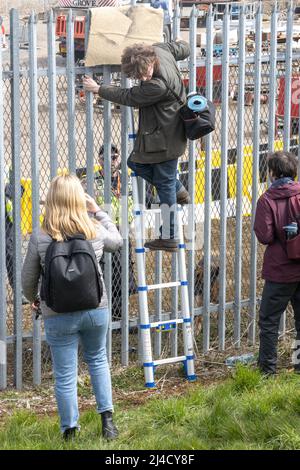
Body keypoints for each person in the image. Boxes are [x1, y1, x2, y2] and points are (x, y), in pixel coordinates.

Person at [21, 174, 123, 440]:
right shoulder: (93, 230)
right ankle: (108, 424)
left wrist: (34, 298)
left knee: (65, 374)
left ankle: (70, 432)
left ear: (51, 201)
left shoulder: (40, 237)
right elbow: (118, 241)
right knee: (98, 360)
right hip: (95, 308)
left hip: (57, 313)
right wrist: (99, 211)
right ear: (80, 199)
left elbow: (27, 280)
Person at [83, 40, 191, 252]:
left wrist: (98, 89)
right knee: (136, 164)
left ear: (151, 61)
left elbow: (128, 96)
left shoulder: (156, 86)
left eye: (146, 72)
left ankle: (169, 235)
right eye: (139, 76)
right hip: (169, 132)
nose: (144, 78)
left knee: (164, 183)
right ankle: (177, 190)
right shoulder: (161, 49)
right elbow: (184, 48)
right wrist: (180, 46)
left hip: (165, 139)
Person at [254, 151, 300, 375]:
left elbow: (265, 236)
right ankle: (299, 366)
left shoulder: (267, 200)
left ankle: (268, 371)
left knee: (269, 322)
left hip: (280, 272)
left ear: (272, 173)